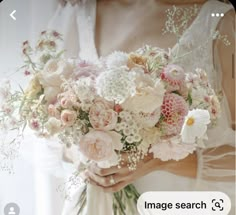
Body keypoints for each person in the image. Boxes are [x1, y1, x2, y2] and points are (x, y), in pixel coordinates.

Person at [45, 0, 235, 214]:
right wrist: (87, 151)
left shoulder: (220, 22)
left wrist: (160, 160)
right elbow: (46, 126)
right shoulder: (80, 11)